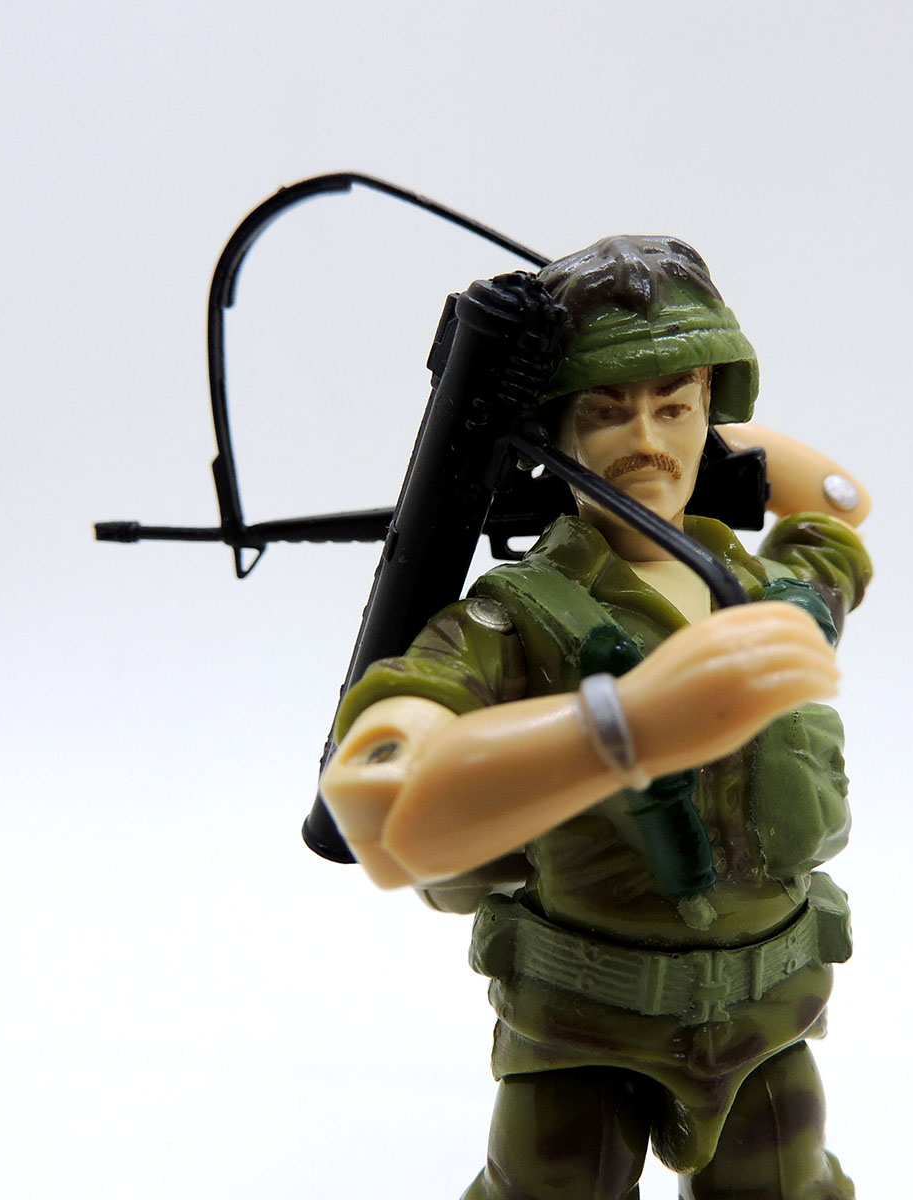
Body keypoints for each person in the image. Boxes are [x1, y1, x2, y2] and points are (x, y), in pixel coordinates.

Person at [319, 236, 872, 1200]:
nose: (645, 439)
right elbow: (379, 800)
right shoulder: (512, 620)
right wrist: (624, 731)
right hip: (582, 1024)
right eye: (607, 410)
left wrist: (716, 433)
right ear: (554, 431)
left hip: (770, 1016)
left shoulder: (765, 593)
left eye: (674, 405)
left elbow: (838, 505)